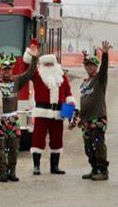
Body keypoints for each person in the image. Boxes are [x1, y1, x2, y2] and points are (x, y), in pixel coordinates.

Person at [0, 43, 39, 182]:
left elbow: (30, 73)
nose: (6, 71)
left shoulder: (17, 80)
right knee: (0, 149)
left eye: (9, 69)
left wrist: (34, 58)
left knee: (14, 148)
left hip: (13, 119)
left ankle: (11, 171)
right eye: (3, 69)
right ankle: (1, 173)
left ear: (12, 69)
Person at [25, 50, 75, 175]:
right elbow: (27, 66)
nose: (48, 67)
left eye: (50, 64)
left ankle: (55, 166)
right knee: (38, 139)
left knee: (57, 139)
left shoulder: (62, 77)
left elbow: (68, 95)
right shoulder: (37, 75)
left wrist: (70, 115)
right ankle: (36, 166)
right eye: (45, 64)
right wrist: (31, 54)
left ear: (55, 65)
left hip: (58, 112)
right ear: (41, 65)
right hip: (42, 112)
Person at [70, 41, 111, 181]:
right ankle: (94, 168)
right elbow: (84, 100)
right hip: (86, 120)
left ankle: (103, 170)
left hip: (98, 118)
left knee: (98, 144)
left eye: (92, 65)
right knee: (88, 146)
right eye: (87, 65)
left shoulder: (100, 79)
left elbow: (105, 68)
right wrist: (80, 118)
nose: (89, 67)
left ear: (96, 66)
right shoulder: (85, 82)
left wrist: (105, 55)